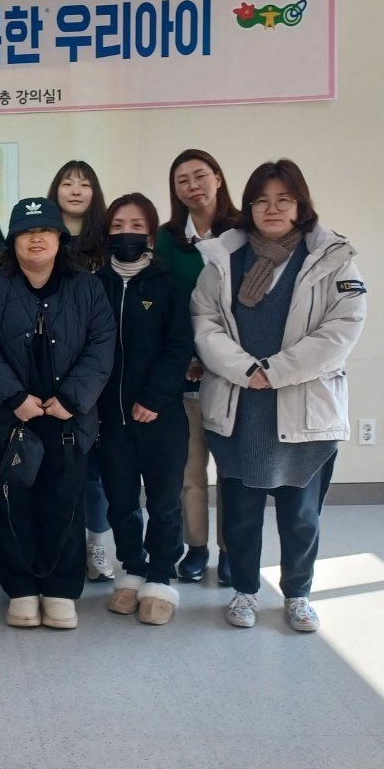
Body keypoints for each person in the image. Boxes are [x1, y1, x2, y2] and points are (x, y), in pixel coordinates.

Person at [192, 159, 367, 632]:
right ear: (248, 206)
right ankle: (245, 591)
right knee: (241, 514)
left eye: (283, 200)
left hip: (304, 406)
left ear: (300, 205)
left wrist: (275, 372)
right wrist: (247, 370)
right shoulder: (224, 259)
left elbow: (342, 330)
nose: (272, 209)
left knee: (301, 515)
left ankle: (298, 595)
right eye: (261, 200)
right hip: (240, 402)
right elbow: (205, 323)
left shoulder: (333, 259)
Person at [0, 197, 114, 629]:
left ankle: (60, 590)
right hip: (7, 418)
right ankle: (20, 589)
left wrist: (71, 399)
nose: (36, 239)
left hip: (68, 418)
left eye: (45, 231)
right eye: (27, 232)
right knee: (10, 506)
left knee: (64, 506)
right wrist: (14, 397)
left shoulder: (87, 285)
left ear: (60, 238)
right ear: (13, 240)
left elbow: (102, 344)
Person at [96, 194, 195, 626]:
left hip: (161, 415)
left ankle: (160, 576)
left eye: (136, 225)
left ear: (151, 234)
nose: (126, 233)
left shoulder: (166, 282)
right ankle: (133, 569)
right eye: (118, 225)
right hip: (110, 418)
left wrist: (153, 398)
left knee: (163, 501)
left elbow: (179, 346)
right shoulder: (94, 284)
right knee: (120, 501)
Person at [155, 150, 237, 586]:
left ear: (218, 178)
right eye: (182, 180)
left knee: (232, 471)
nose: (192, 186)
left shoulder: (244, 230)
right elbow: (166, 307)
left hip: (235, 375)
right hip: (186, 372)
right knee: (190, 470)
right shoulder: (168, 239)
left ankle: (231, 549)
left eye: (200, 176)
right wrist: (186, 357)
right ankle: (197, 547)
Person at [46, 160, 115, 582]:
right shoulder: (41, 241)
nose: (75, 190)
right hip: (50, 376)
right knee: (54, 468)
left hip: (100, 371)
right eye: (68, 183)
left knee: (96, 471)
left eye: (84, 183)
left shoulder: (108, 243)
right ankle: (53, 546)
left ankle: (96, 544)